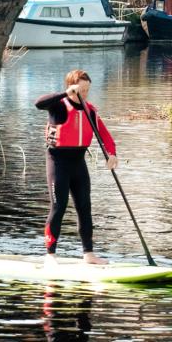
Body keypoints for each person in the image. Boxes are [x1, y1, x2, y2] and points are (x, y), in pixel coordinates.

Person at [34, 70, 117, 265]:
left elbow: (105, 135)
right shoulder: (58, 107)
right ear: (72, 88)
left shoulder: (91, 110)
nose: (85, 94)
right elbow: (39, 103)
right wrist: (66, 93)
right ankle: (50, 255)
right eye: (81, 90)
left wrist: (112, 154)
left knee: (84, 207)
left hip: (78, 162)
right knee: (58, 207)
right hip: (58, 162)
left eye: (87, 90)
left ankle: (88, 254)